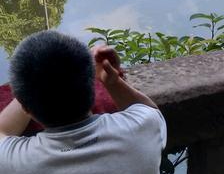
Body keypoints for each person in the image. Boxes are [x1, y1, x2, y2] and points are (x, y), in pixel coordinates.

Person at [0, 30, 167, 173]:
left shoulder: (18, 163)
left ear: (25, 108)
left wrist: (31, 85)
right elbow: (148, 109)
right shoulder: (143, 128)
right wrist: (113, 82)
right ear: (92, 87)